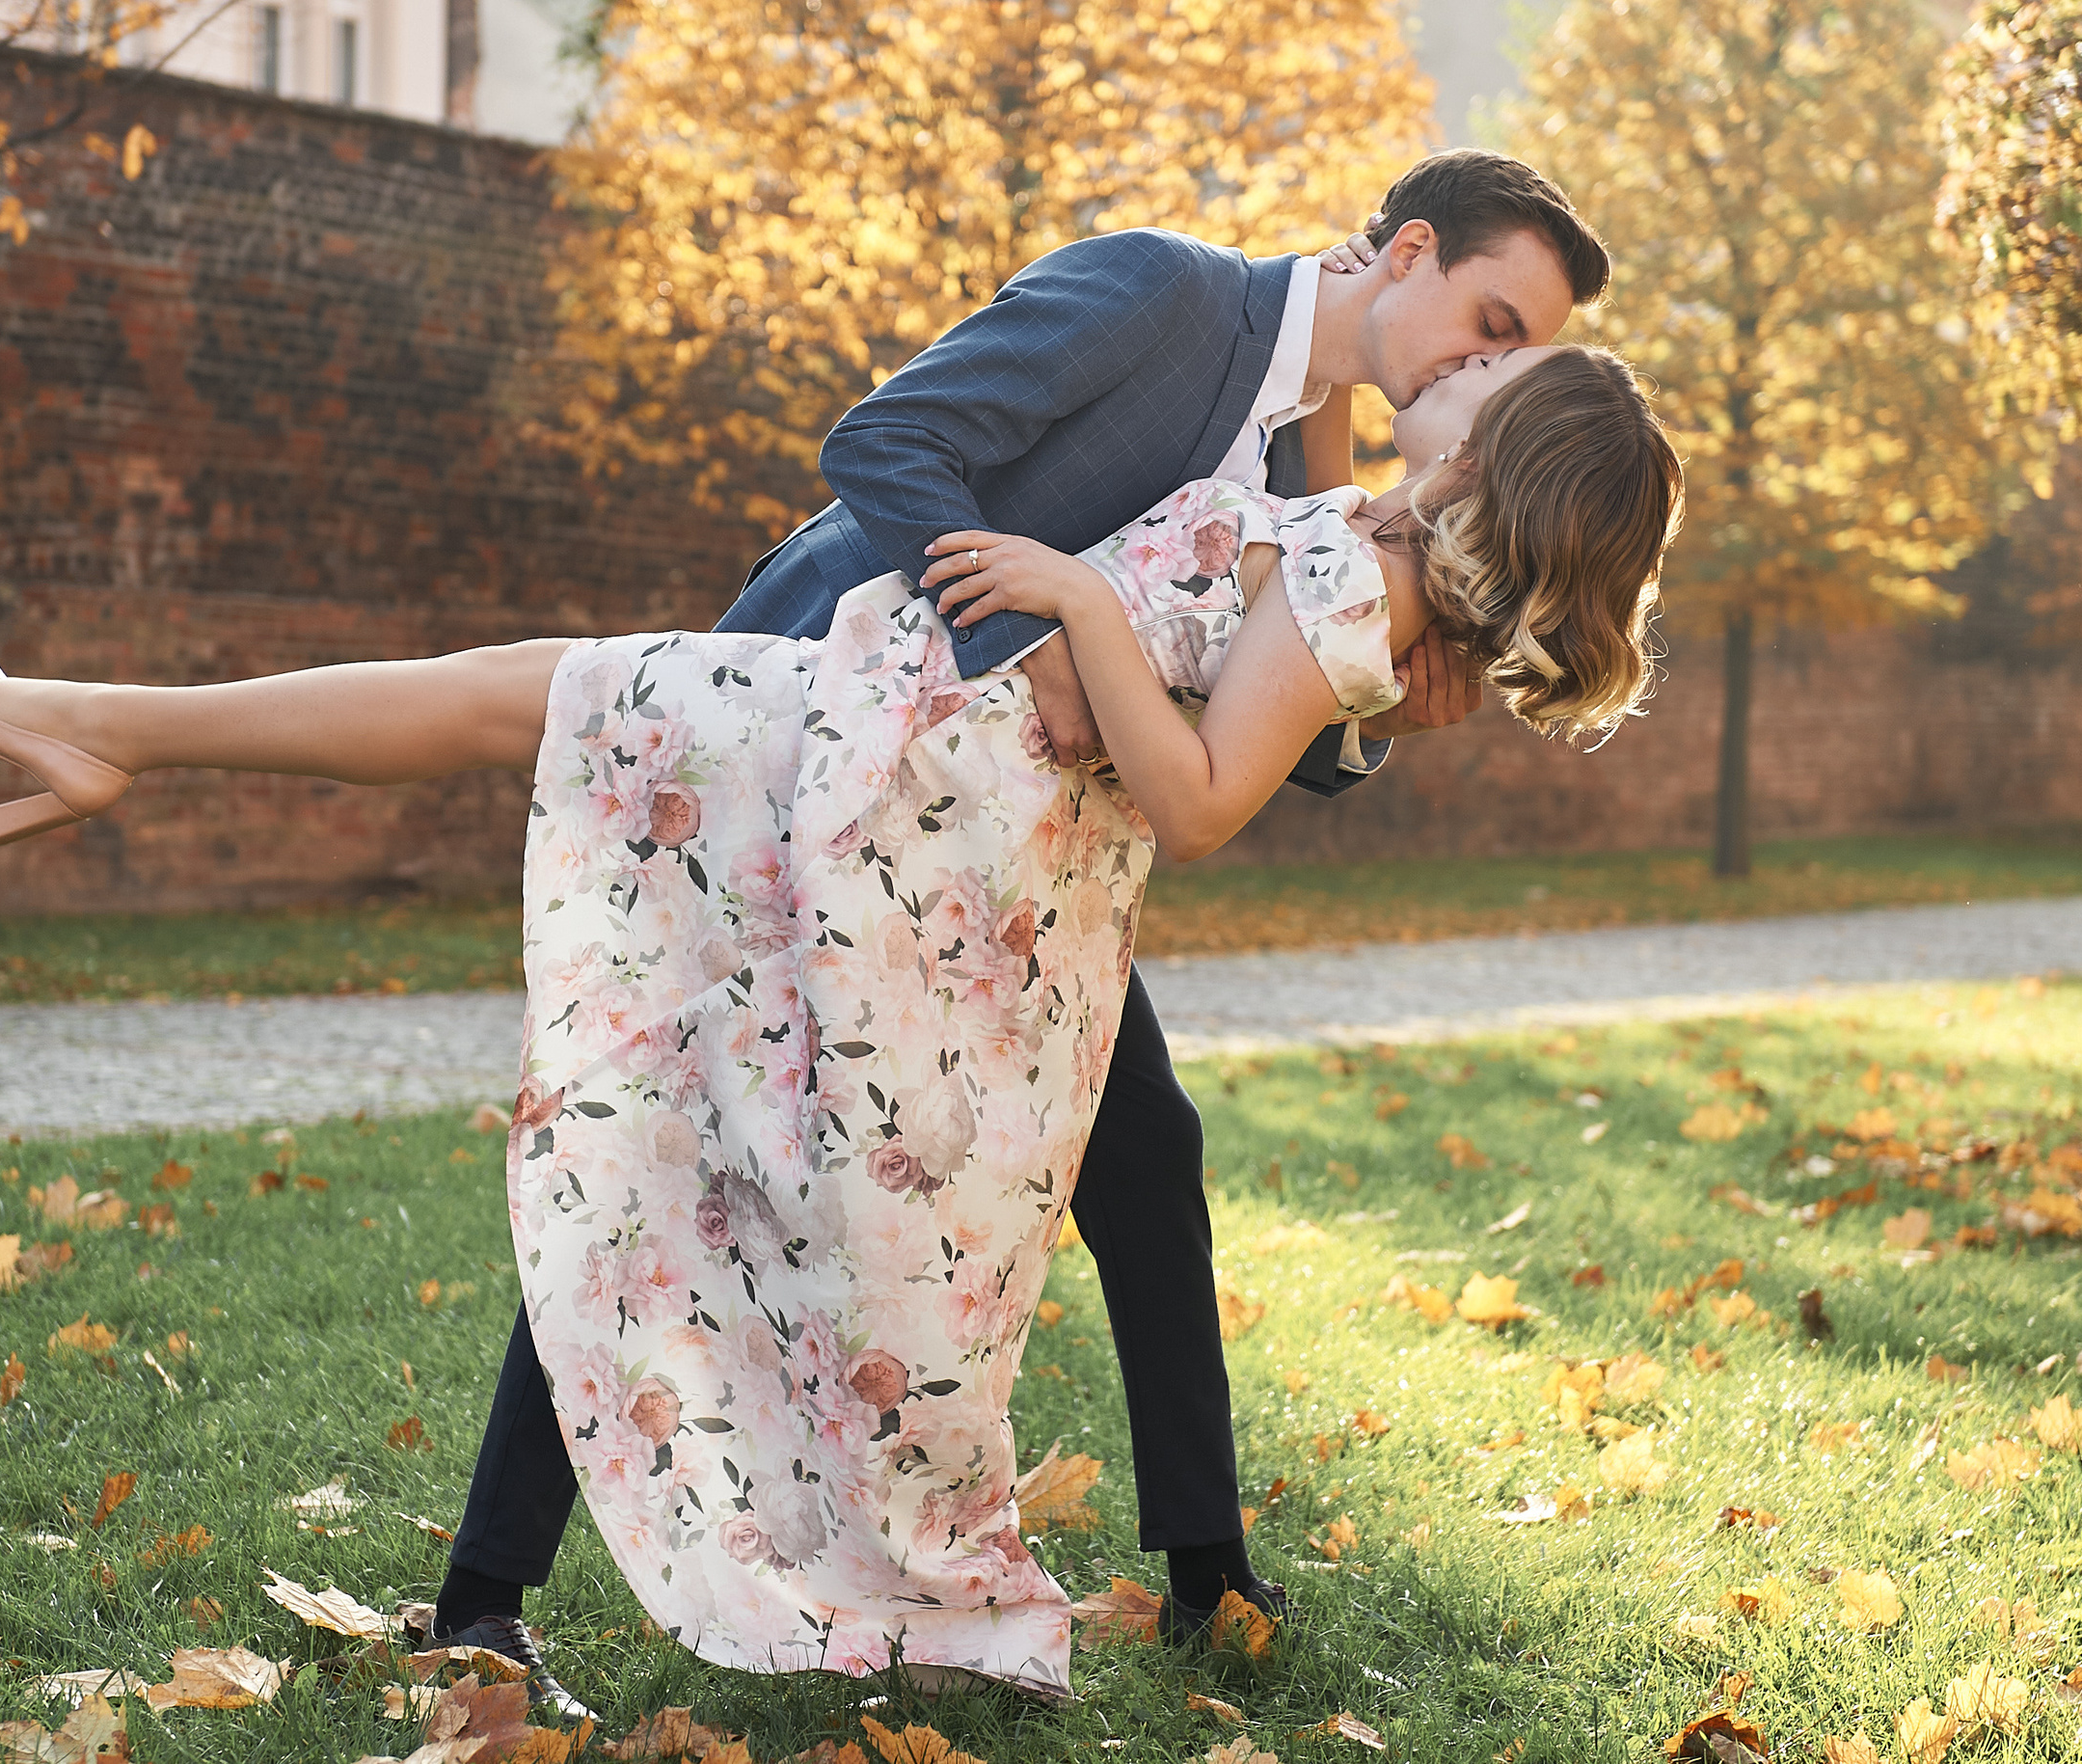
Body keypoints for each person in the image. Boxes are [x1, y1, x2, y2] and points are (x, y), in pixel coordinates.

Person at [0, 335, 1682, 1700]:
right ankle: (98, 725)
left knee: (535, 703)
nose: (1454, 369)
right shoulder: (1370, 546)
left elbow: (1209, 795)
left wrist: (1077, 593)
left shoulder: (1359, 594)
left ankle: (102, 724)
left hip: (910, 788)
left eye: (1492, 370)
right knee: (532, 700)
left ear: (1506, 453)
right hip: (915, 747)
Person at [431, 147, 1617, 1701]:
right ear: (1403, 253)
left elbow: (1257, 691)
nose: (1490, 364)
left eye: (1519, 350)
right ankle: (479, 1597)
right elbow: (892, 444)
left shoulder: (1316, 461)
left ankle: (1209, 1577)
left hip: (1009, 876)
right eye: (1490, 315)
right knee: (671, 1133)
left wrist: (1387, 713)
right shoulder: (1163, 291)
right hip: (820, 736)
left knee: (1144, 1148)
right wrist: (1029, 645)